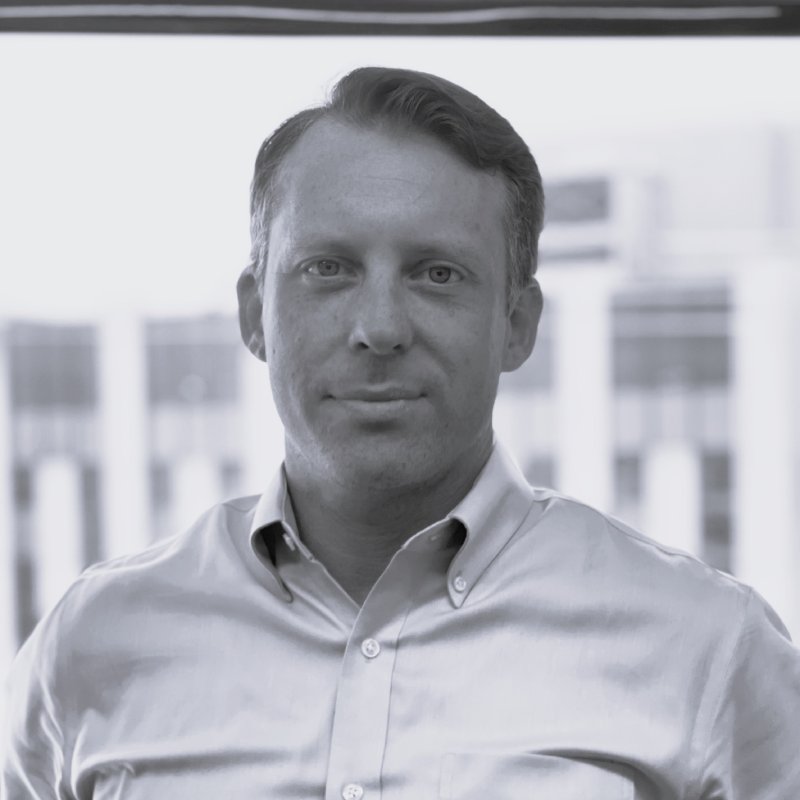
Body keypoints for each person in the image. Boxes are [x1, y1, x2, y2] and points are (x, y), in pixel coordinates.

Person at [2, 66, 799, 800]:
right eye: (328, 269)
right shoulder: (90, 645)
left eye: (436, 274)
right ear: (254, 315)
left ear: (517, 324)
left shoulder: (709, 650)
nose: (379, 329)